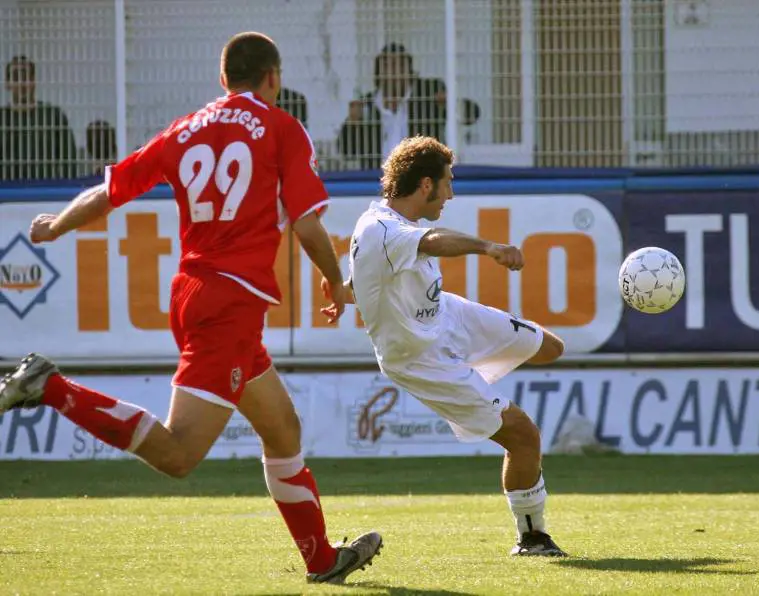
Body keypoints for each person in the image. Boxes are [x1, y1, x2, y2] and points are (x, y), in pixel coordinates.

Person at [0, 32, 381, 585]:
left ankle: (322, 559)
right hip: (230, 302)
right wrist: (334, 281)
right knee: (178, 455)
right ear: (273, 78)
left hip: (198, 293)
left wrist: (55, 225)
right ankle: (49, 386)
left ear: (223, 79)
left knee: (282, 429)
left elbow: (110, 189)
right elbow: (305, 222)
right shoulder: (280, 128)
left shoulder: (186, 129)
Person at [336, 135, 567, 557]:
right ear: (425, 185)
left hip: (446, 316)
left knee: (551, 347)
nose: (451, 192)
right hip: (419, 358)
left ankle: (486, 388)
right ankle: (532, 538)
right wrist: (489, 247)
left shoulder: (390, 227)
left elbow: (370, 280)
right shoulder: (382, 228)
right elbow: (433, 241)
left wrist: (345, 293)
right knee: (523, 436)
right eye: (447, 182)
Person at [337, 43, 480, 170]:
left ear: (409, 70)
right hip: (379, 181)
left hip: (422, 180)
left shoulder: (428, 94)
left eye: (400, 65)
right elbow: (347, 151)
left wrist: (452, 103)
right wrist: (352, 123)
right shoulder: (367, 104)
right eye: (388, 65)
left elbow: (472, 115)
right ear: (378, 73)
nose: (394, 72)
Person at [0, 55, 77, 180]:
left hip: (46, 191)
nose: (21, 83)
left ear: (34, 81)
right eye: (16, 77)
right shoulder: (2, 118)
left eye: (26, 77)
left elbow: (69, 160)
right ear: (7, 84)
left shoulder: (53, 116)